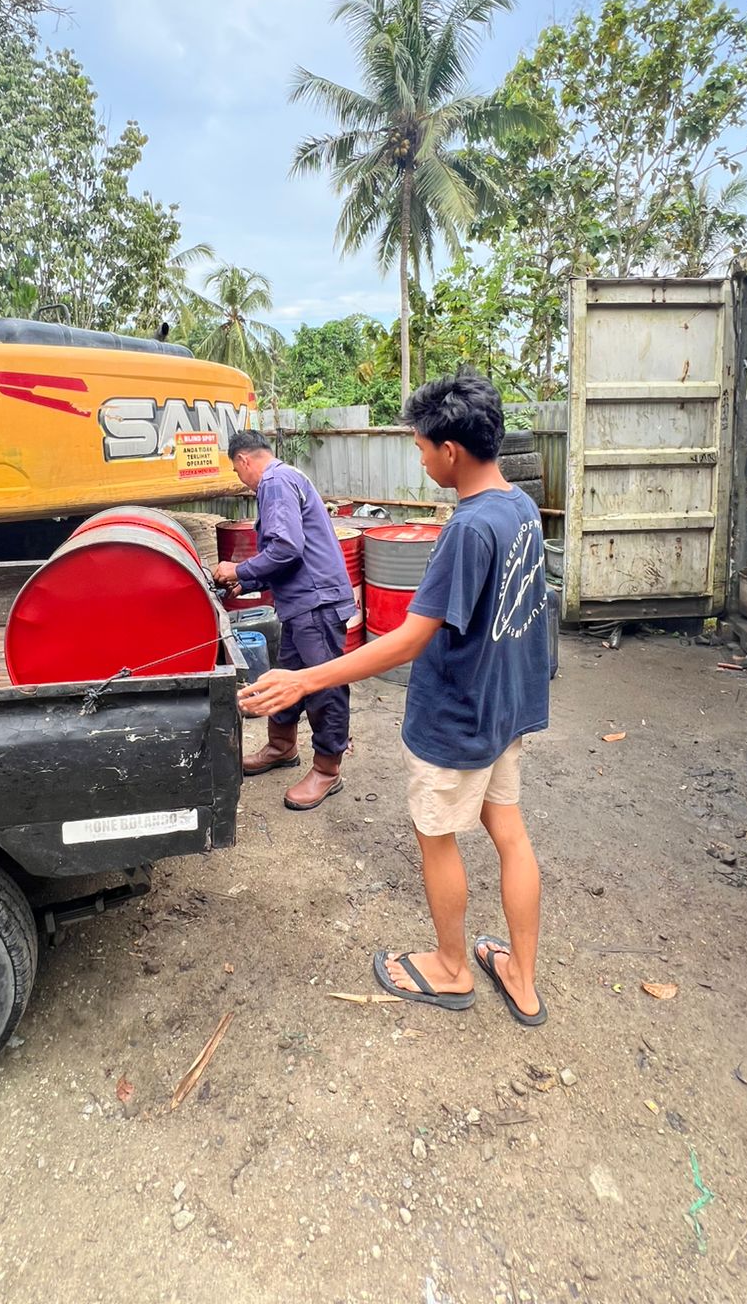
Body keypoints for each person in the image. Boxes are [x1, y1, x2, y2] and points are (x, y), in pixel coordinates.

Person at [238, 371, 550, 1024]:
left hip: (459, 716)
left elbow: (408, 641)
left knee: (437, 835)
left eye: (420, 446)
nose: (419, 456)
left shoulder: (467, 528)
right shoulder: (519, 505)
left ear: (451, 452)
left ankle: (451, 966)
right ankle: (521, 977)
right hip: (504, 709)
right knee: (511, 836)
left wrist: (303, 678)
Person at [214, 430, 357, 811]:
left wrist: (237, 567)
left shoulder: (274, 482)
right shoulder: (288, 477)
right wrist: (241, 580)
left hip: (316, 602)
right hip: (300, 604)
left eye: (236, 470)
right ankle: (282, 747)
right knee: (290, 675)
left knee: (323, 685)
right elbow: (287, 556)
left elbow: (285, 548)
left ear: (244, 460)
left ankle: (328, 770)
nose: (240, 479)